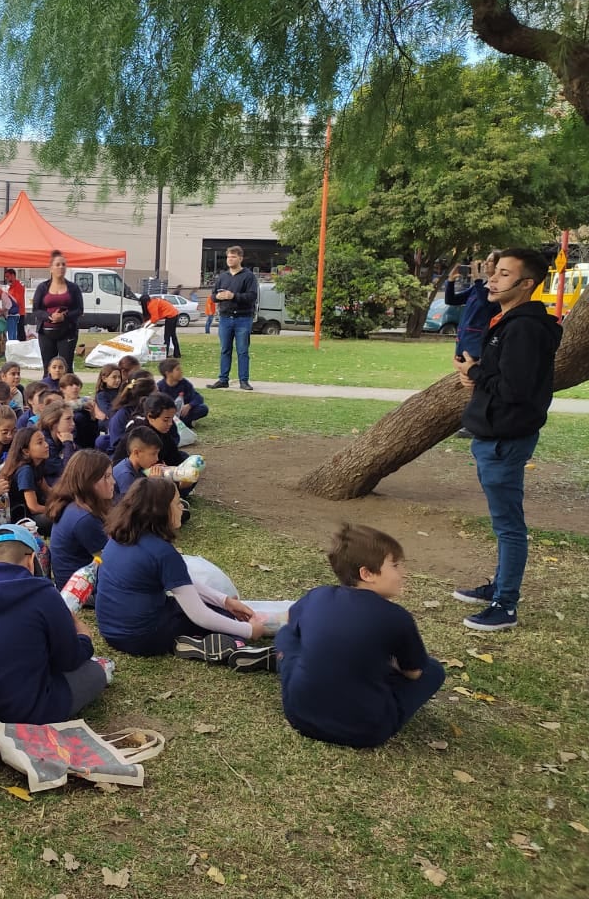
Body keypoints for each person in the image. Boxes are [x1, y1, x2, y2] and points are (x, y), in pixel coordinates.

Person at [451, 247, 561, 631]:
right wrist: (477, 373)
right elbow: (507, 380)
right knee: (503, 523)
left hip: (505, 439)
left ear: (526, 283)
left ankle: (505, 604)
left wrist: (477, 375)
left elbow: (514, 389)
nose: (492, 280)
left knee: (509, 525)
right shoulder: (512, 322)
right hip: (494, 434)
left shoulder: (526, 328)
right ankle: (499, 585)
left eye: (503, 274)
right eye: (494, 272)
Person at [278, 524, 446, 748]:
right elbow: (414, 674)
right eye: (395, 565)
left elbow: (290, 619)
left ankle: (293, 663)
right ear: (366, 573)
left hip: (299, 715)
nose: (402, 573)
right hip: (366, 731)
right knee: (433, 670)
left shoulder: (318, 595)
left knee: (286, 636)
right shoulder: (397, 617)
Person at [0, 524, 110, 731]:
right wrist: (84, 636)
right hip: (25, 713)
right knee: (95, 672)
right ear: (30, 561)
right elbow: (68, 660)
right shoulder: (43, 593)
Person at [95, 478, 271, 665]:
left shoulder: (119, 536)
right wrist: (248, 630)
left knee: (218, 609)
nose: (182, 509)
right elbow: (198, 613)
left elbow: (182, 583)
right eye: (177, 503)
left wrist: (225, 601)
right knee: (220, 617)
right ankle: (237, 647)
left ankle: (195, 642)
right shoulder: (162, 552)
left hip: (110, 631)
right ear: (160, 511)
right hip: (143, 638)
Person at [444, 253, 500, 438]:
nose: (485, 263)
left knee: (477, 382)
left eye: (490, 260)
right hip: (464, 340)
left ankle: (476, 424)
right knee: (468, 383)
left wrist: (476, 276)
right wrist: (450, 281)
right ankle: (471, 420)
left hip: (477, 342)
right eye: (486, 259)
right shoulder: (480, 287)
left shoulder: (493, 290)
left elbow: (486, 303)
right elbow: (452, 300)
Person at [47, 450, 113, 587]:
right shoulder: (84, 518)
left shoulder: (75, 506)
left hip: (76, 581)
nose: (113, 481)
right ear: (88, 482)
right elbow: (112, 562)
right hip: (81, 589)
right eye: (106, 477)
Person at [207, 245, 258, 391]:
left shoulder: (248, 276)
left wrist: (233, 296)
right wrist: (217, 296)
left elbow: (252, 296)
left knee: (242, 350)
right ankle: (223, 379)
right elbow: (212, 295)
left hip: (243, 318)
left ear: (240, 258)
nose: (230, 259)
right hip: (225, 318)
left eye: (233, 257)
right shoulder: (223, 276)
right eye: (229, 257)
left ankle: (244, 380)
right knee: (225, 349)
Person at [32, 251, 84, 372]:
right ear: (51, 268)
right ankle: (48, 389)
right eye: (58, 264)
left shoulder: (73, 288)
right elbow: (36, 310)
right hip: (46, 332)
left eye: (63, 264)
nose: (61, 267)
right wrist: (49, 316)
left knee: (66, 367)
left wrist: (64, 317)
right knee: (48, 367)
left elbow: (79, 309)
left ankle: (67, 389)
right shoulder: (42, 287)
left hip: (67, 332)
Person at [0, 426, 50, 529]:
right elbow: (33, 507)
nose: (46, 445)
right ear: (26, 451)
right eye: (40, 443)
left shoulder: (37, 465)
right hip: (23, 519)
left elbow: (48, 490)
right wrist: (56, 509)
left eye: (45, 440)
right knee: (60, 517)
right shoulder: (25, 470)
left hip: (34, 513)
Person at [111, 426, 165, 499]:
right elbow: (133, 507)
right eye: (153, 454)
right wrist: (154, 483)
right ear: (136, 453)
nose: (157, 458)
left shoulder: (139, 467)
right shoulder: (125, 475)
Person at [158, 358, 208, 425]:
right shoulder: (160, 387)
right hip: (168, 414)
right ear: (168, 373)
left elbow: (198, 397)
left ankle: (179, 422)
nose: (181, 371)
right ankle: (185, 423)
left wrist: (190, 405)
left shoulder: (185, 383)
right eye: (178, 369)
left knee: (203, 408)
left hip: (182, 413)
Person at [3, 268, 25, 341]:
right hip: (12, 314)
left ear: (13, 275)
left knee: (19, 334)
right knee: (12, 335)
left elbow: (17, 301)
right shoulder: (10, 288)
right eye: (5, 277)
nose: (6, 279)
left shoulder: (19, 286)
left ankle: (21, 350)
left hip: (18, 314)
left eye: (7, 276)